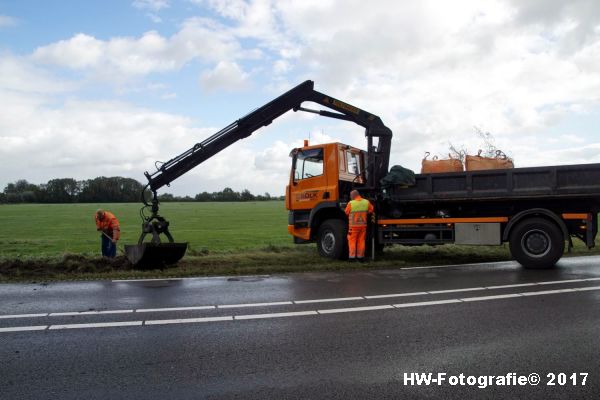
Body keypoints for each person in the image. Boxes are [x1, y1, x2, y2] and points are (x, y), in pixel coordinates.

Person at [344, 190, 374, 262]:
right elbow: (371, 210)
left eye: (351, 196)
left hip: (353, 227)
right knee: (361, 241)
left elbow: (346, 212)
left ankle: (352, 258)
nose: (350, 197)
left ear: (353, 196)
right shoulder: (366, 202)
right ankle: (360, 257)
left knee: (352, 241)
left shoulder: (351, 203)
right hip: (363, 226)